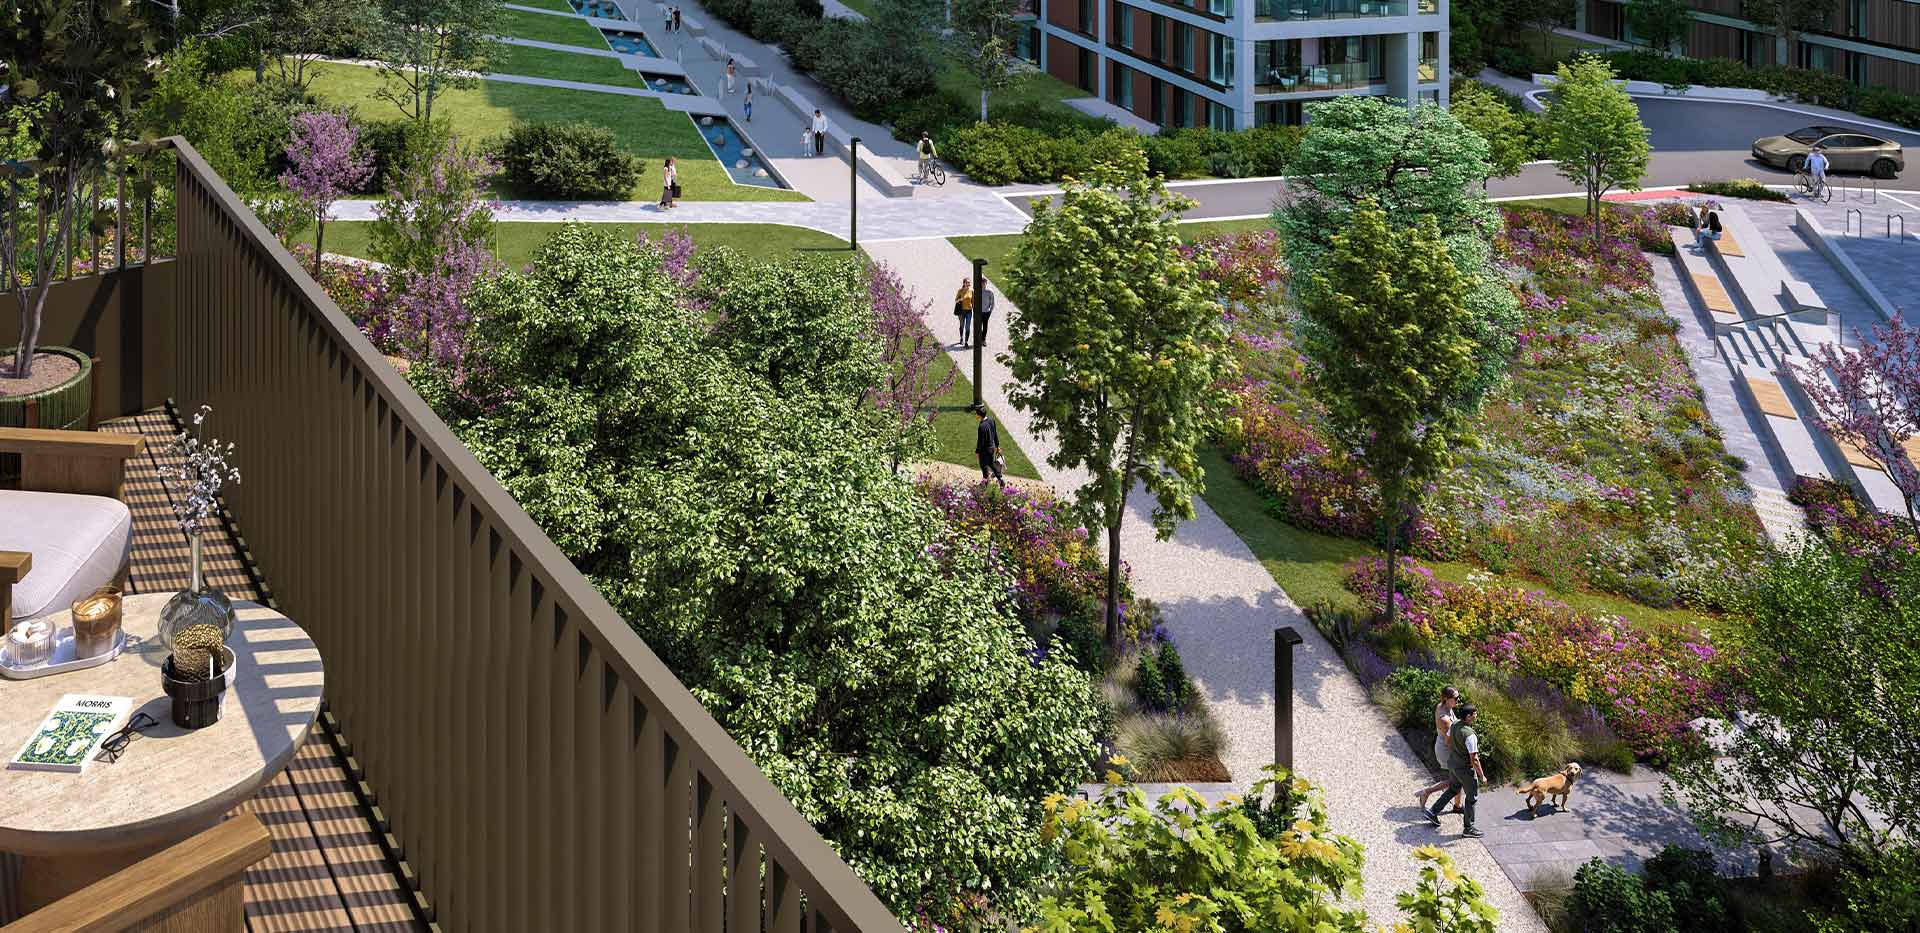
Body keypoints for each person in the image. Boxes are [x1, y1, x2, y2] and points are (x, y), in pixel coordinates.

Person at [1425, 704, 1487, 838]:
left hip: (1453, 764)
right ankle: (1468, 828)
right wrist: (1482, 776)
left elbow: (1447, 741)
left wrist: (1457, 750)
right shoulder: (1470, 735)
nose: (1476, 715)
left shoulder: (1454, 724)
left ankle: (1433, 811)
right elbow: (1474, 759)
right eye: (1475, 714)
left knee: (1453, 789)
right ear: (1469, 716)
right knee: (1472, 798)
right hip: (1465, 770)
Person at [1415, 686, 1461, 811]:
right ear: (1446, 699)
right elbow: (1450, 741)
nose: (1458, 700)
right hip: (1447, 751)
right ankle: (1427, 792)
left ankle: (1457, 806)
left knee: (1457, 779)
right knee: (1456, 780)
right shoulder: (1444, 719)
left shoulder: (1444, 706)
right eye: (1456, 698)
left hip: (1446, 747)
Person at [973, 404, 1005, 488]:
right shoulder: (991, 420)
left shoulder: (981, 426)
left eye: (976, 414)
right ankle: (1001, 480)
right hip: (992, 449)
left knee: (984, 467)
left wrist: (977, 452)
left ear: (979, 415)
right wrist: (997, 446)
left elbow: (980, 441)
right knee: (991, 464)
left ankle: (985, 483)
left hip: (984, 451)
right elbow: (995, 434)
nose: (976, 415)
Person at [953, 278, 974, 348]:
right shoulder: (960, 291)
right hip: (961, 311)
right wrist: (960, 299)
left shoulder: (971, 291)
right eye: (967, 282)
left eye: (969, 282)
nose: (969, 284)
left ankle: (966, 342)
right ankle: (961, 338)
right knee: (962, 325)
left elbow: (973, 302)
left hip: (969, 311)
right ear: (964, 283)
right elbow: (956, 300)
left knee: (967, 327)